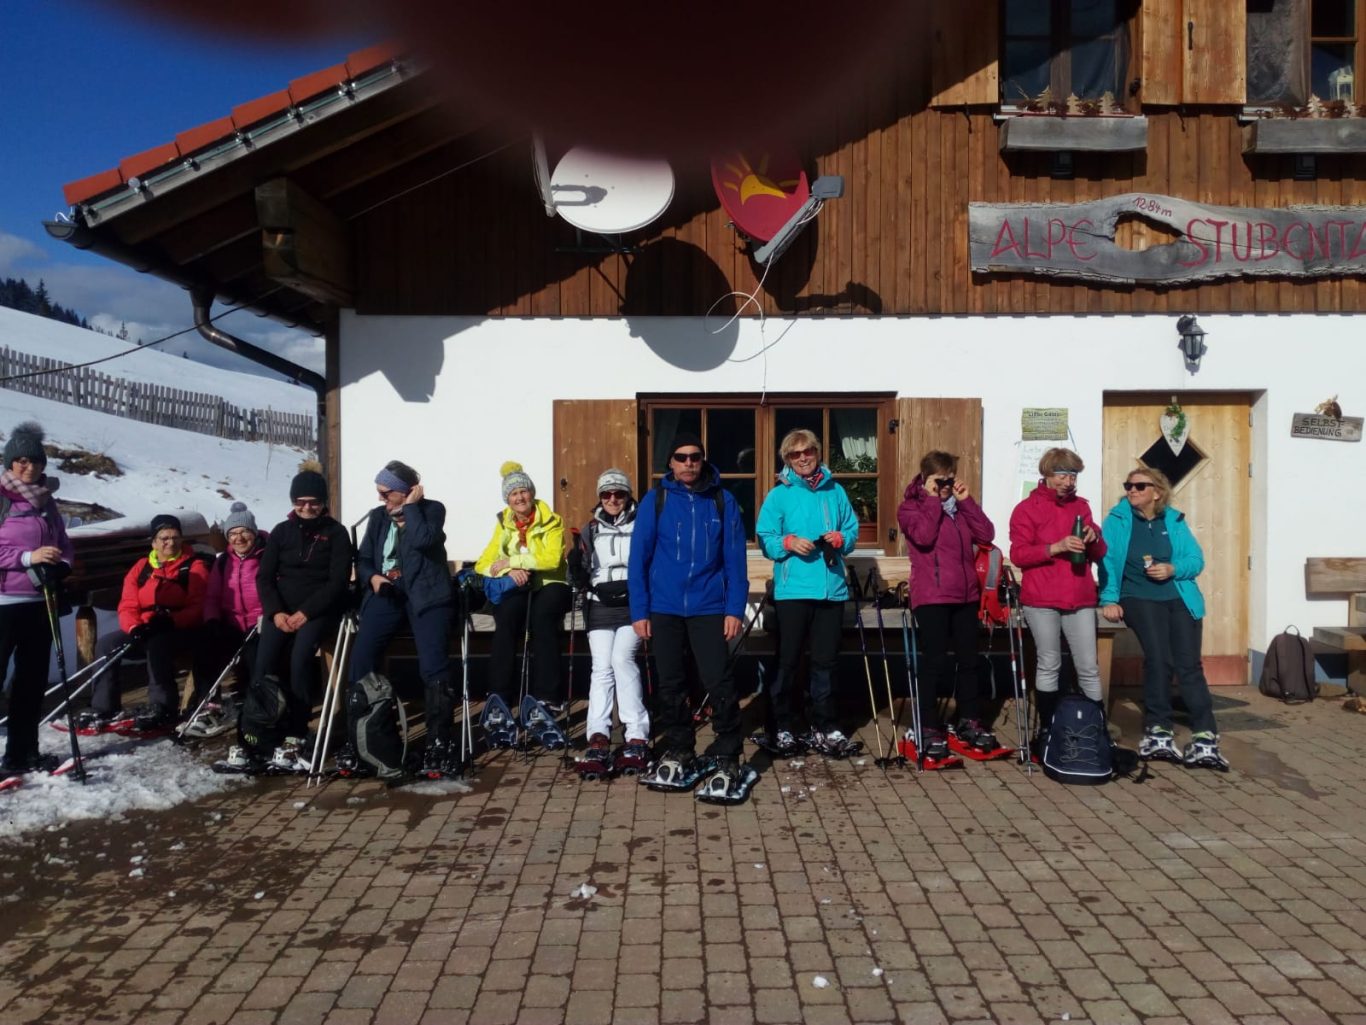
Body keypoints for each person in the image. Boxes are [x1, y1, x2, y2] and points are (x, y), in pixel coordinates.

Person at [629, 432, 753, 800]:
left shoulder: (722, 500)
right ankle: (680, 748)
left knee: (719, 682)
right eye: (681, 457)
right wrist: (640, 610)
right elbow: (639, 560)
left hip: (709, 607)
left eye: (695, 457)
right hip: (664, 607)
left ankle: (728, 753)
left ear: (703, 460)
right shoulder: (656, 500)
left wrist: (734, 609)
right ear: (670, 462)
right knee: (670, 684)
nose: (688, 463)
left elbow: (735, 561)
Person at [1099, 467, 1228, 769]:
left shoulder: (1173, 520)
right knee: (1159, 659)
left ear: (1157, 492)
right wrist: (1109, 598)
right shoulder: (1117, 520)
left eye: (1139, 486)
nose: (1132, 491)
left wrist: (1173, 569)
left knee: (1189, 665)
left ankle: (1205, 734)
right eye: (1128, 485)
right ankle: (1158, 728)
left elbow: (1195, 560)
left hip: (1179, 597)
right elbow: (1107, 561)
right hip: (1138, 596)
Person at [755, 429, 859, 757]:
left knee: (826, 662)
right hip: (793, 591)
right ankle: (782, 725)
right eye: (795, 454)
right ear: (787, 459)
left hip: (830, 589)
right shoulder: (779, 495)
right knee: (788, 661)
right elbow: (765, 537)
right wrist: (787, 542)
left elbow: (851, 529)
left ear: (817, 452)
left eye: (808, 451)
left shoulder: (835, 491)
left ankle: (825, 725)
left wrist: (842, 539)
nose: (803, 458)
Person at [349, 461, 457, 776]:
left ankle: (439, 742)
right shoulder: (377, 517)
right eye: (379, 493)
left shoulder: (432, 510)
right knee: (361, 659)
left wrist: (411, 507)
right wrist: (372, 577)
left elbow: (424, 540)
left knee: (433, 665)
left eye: (386, 493)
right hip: (387, 591)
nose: (381, 499)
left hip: (427, 593)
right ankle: (367, 739)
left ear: (406, 491)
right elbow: (364, 557)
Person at [249, 461, 353, 769]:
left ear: (323, 502)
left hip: (318, 608)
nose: (307, 507)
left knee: (300, 659)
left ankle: (297, 729)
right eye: (300, 502)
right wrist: (276, 612)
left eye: (313, 502)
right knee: (264, 661)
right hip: (282, 609)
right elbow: (265, 577)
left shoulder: (336, 533)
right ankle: (260, 724)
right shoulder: (281, 532)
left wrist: (306, 612)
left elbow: (337, 582)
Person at [897, 449, 999, 760]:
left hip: (966, 595)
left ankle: (969, 719)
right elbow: (924, 538)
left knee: (969, 661)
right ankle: (927, 724)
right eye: (940, 481)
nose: (945, 487)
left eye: (950, 480)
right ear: (925, 479)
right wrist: (932, 501)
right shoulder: (910, 508)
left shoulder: (959, 509)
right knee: (934, 661)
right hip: (932, 595)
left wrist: (966, 501)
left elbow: (986, 535)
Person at [1008, 447, 1107, 751]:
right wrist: (1056, 547)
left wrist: (1094, 537)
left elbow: (1100, 553)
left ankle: (1097, 729)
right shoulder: (1026, 509)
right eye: (1062, 475)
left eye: (1073, 475)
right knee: (1049, 662)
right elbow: (1019, 554)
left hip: (1079, 595)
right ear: (1047, 475)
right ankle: (1048, 729)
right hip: (1041, 597)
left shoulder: (1081, 507)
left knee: (1088, 666)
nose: (1068, 481)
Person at [85, 513, 210, 732]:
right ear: (154, 542)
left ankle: (162, 706)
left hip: (180, 629)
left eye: (175, 537)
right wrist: (134, 627)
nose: (170, 542)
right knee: (107, 644)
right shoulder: (142, 567)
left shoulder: (194, 566)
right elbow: (128, 604)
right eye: (164, 538)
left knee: (157, 645)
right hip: (144, 628)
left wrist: (171, 621)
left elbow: (198, 606)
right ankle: (104, 707)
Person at [473, 461, 570, 743]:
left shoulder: (552, 520)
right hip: (518, 586)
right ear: (507, 499)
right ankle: (499, 697)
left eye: (523, 492)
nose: (519, 498)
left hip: (550, 583)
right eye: (513, 494)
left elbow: (551, 559)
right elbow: (483, 563)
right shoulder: (503, 523)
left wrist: (514, 561)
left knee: (542, 618)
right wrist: (507, 571)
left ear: (532, 493)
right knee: (505, 618)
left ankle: (547, 697)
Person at [0, 422, 75, 773]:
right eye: (22, 461)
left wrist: (63, 566)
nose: (30, 467)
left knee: (31, 681)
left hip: (41, 601)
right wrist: (28, 558)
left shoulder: (47, 501)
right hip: (4, 602)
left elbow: (64, 543)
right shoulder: (2, 498)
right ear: (10, 462)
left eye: (36, 461)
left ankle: (22, 753)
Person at [568, 469, 649, 774]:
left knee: (622, 658)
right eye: (606, 494)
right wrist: (575, 571)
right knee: (601, 666)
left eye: (619, 493)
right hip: (599, 602)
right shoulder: (591, 529)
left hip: (633, 603)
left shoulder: (642, 524)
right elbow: (579, 571)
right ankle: (598, 736)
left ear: (628, 495)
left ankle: (636, 734)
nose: (613, 499)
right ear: (600, 497)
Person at [185, 502, 265, 738]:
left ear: (254, 532)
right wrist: (212, 620)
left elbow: (277, 590)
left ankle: (254, 704)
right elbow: (212, 597)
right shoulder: (222, 562)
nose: (239, 538)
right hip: (231, 623)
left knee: (256, 657)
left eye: (244, 532)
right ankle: (210, 704)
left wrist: (268, 616)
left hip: (260, 624)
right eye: (233, 534)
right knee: (205, 649)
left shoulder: (267, 556)